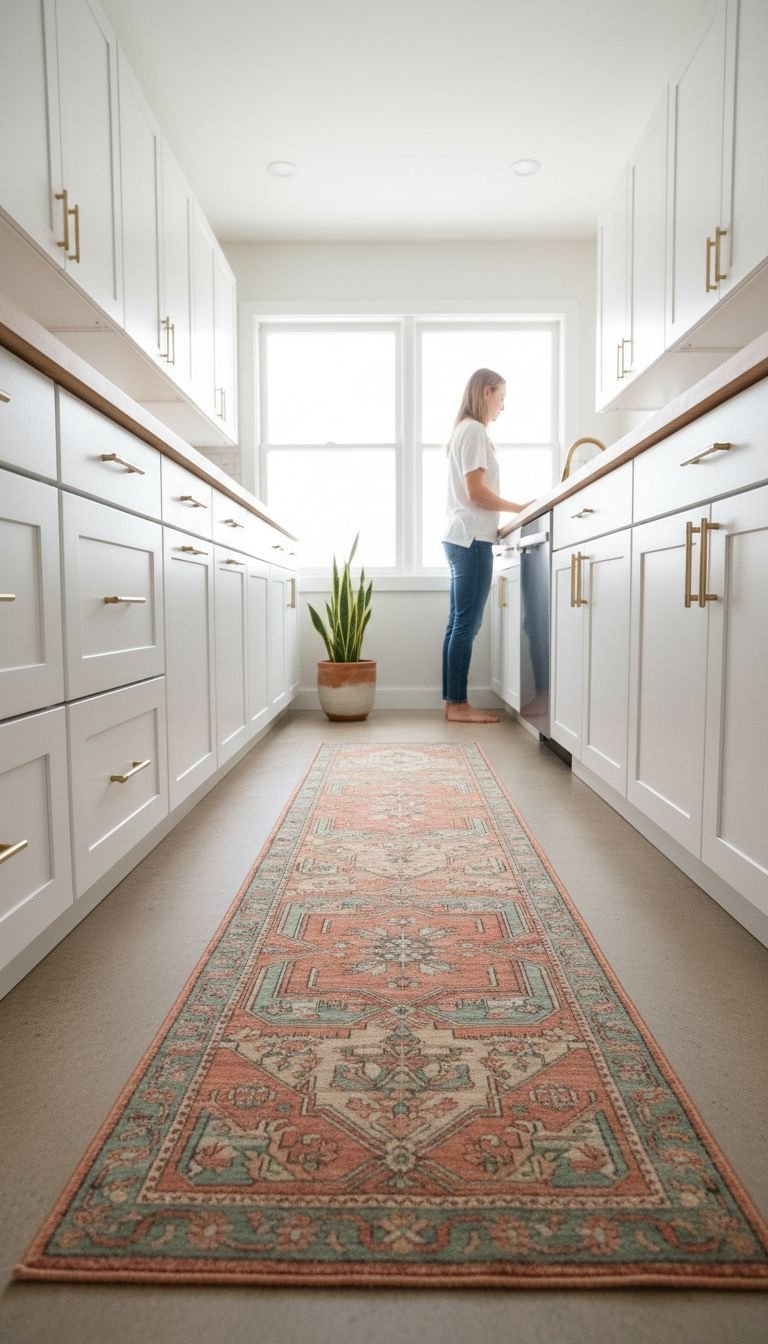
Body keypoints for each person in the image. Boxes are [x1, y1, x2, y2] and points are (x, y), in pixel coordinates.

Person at [442, 368, 531, 723]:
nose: (502, 407)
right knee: (466, 624)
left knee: (457, 623)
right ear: (487, 392)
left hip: (458, 536)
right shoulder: (475, 431)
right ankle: (458, 705)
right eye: (502, 398)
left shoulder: (462, 430)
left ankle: (453, 702)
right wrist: (519, 507)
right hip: (472, 539)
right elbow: (475, 492)